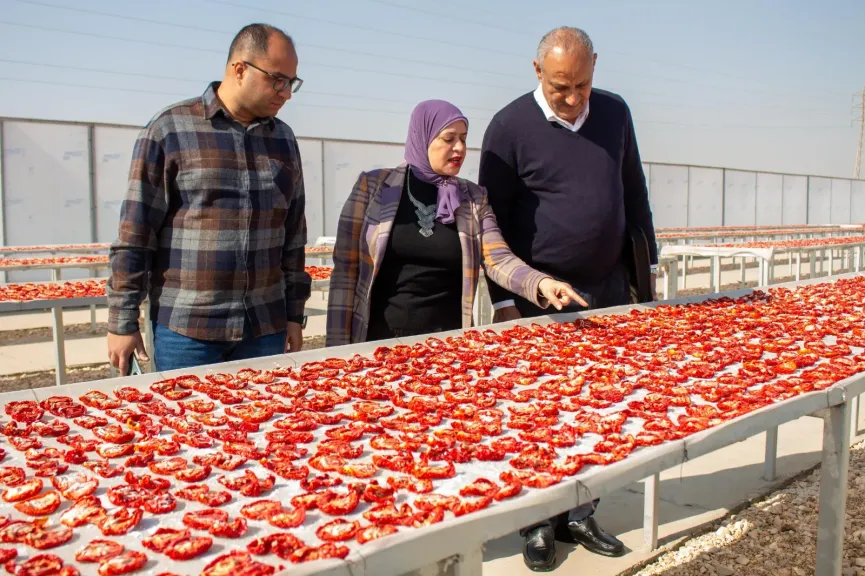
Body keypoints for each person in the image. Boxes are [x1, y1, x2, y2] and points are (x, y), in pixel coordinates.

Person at [479, 26, 658, 571]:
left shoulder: (614, 114)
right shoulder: (508, 128)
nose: (573, 97)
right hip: (539, 299)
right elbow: (492, 224)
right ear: (538, 73)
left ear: (595, 69)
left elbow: (634, 191)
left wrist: (646, 270)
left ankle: (581, 510)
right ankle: (536, 522)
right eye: (561, 86)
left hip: (605, 289)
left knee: (599, 409)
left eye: (582, 84)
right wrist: (505, 301)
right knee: (539, 412)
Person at [107, 23, 311, 375]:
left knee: (267, 424)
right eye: (278, 80)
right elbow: (135, 234)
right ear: (239, 69)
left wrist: (294, 313)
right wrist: (122, 320)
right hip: (188, 329)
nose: (286, 93)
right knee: (187, 427)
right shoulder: (170, 130)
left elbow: (293, 235)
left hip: (265, 326)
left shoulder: (283, 139)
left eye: (291, 83)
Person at [325, 100, 585, 346]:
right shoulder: (373, 188)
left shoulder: (472, 198)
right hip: (382, 340)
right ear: (423, 138)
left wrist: (540, 283)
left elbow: (498, 258)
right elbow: (345, 272)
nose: (459, 148)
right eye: (449, 138)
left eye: (463, 139)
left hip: (449, 343)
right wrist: (333, 348)